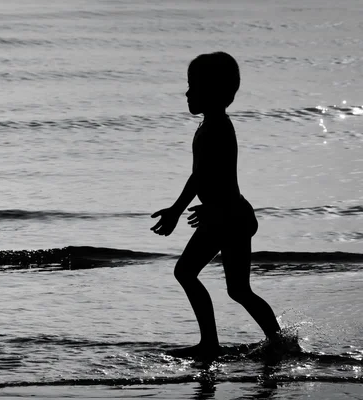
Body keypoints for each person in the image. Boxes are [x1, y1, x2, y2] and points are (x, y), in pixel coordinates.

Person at [150, 52, 281, 359]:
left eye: (193, 86)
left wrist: (178, 211)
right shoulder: (214, 125)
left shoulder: (215, 128)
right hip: (231, 213)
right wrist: (194, 208)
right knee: (238, 289)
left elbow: (202, 176)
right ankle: (280, 342)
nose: (187, 93)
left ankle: (210, 343)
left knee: (185, 272)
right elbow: (203, 176)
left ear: (211, 91)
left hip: (226, 216)